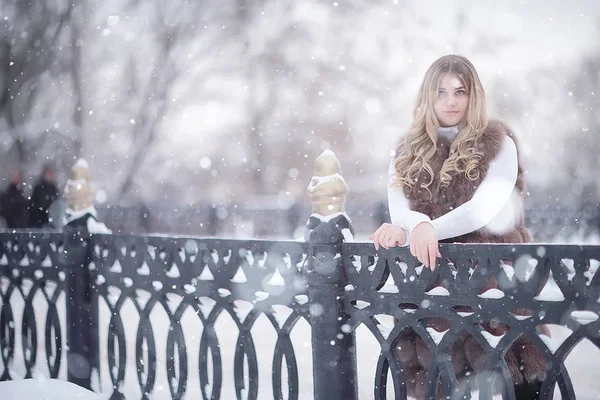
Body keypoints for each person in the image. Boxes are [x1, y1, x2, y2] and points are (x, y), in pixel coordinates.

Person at [369, 55, 545, 399]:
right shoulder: (407, 149)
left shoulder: (499, 143)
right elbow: (399, 208)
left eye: (460, 91)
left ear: (473, 95)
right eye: (441, 92)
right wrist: (410, 226)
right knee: (439, 386)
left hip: (493, 291)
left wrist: (424, 229)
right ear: (427, 97)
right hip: (431, 294)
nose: (450, 101)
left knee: (510, 386)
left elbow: (483, 210)